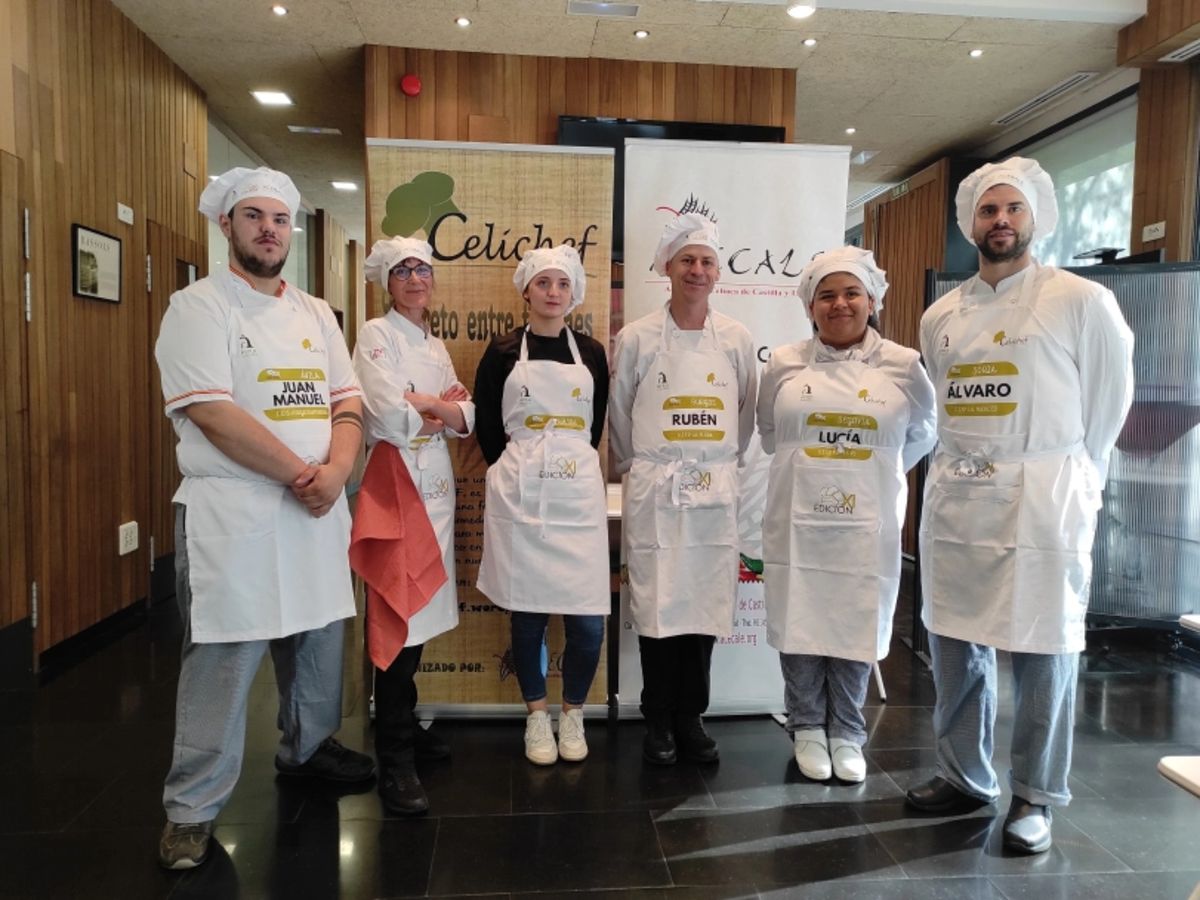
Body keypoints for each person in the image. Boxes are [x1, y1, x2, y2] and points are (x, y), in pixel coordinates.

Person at [907, 157, 1134, 854]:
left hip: (1041, 499)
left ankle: (1036, 794)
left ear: (1035, 218)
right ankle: (963, 773)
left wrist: (1074, 477)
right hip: (960, 501)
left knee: (1044, 650)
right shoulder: (942, 314)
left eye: (1012, 210)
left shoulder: (1080, 300)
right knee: (954, 645)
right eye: (987, 211)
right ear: (970, 223)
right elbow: (938, 409)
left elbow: (1109, 401)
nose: (1000, 221)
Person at [154, 167, 375, 870]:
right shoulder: (197, 306)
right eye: (254, 217)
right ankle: (190, 808)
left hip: (313, 505)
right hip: (237, 509)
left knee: (316, 640)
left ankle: (306, 748)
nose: (269, 230)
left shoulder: (314, 314)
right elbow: (212, 411)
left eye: (279, 220)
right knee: (225, 654)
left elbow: (348, 403)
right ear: (228, 225)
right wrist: (302, 475)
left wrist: (337, 473)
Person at [758, 247, 937, 783]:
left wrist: (869, 472)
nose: (840, 304)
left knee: (857, 618)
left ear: (872, 299)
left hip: (867, 522)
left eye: (851, 292)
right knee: (800, 617)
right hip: (796, 517)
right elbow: (770, 432)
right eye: (827, 295)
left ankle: (849, 731)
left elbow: (924, 432)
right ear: (810, 306)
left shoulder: (903, 365)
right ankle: (808, 727)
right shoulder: (785, 363)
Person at [609, 213, 757, 766]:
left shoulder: (738, 339)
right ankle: (658, 718)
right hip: (657, 488)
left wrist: (715, 465)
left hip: (714, 490)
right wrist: (639, 467)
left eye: (707, 262)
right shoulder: (638, 338)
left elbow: (743, 414)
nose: (697, 270)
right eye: (687, 260)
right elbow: (620, 414)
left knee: (703, 605)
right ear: (667, 268)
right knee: (656, 605)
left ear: (718, 273)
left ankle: (691, 716)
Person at [352, 237, 475, 815]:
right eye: (403, 271)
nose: (415, 278)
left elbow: (465, 415)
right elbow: (383, 412)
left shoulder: (435, 343)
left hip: (437, 492)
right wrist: (435, 412)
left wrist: (430, 407)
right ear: (387, 281)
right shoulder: (374, 337)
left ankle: (405, 724)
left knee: (419, 614)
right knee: (397, 619)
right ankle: (394, 755)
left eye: (423, 269)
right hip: (397, 486)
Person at [475, 245, 610, 765]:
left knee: (588, 622)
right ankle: (536, 716)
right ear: (526, 290)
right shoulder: (504, 350)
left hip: (577, 493)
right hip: (522, 491)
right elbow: (489, 424)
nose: (554, 293)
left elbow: (594, 426)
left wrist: (566, 462)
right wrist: (513, 469)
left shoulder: (592, 353)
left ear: (574, 293)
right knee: (527, 615)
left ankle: (572, 713)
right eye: (544, 283)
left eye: (562, 284)